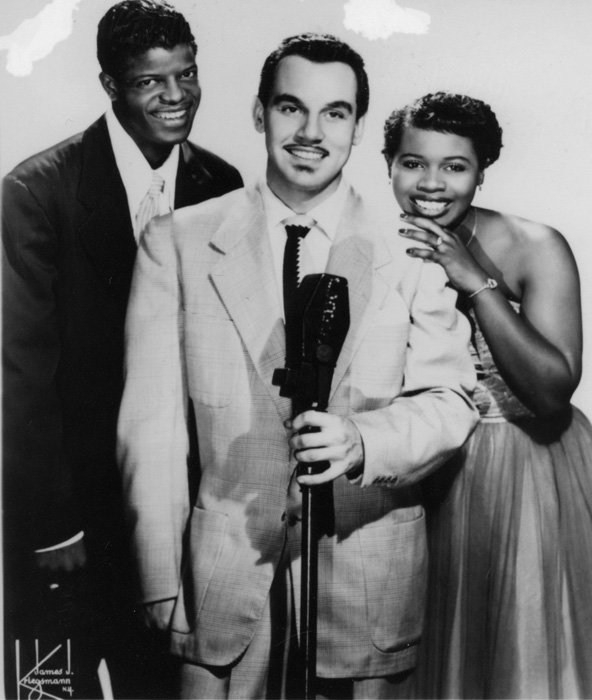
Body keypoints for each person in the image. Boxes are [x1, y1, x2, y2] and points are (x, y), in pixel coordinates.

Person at [117, 34, 478, 700]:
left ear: (358, 126)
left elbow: (453, 401)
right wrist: (160, 585)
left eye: (335, 113)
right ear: (259, 113)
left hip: (367, 592)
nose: (312, 132)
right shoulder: (178, 243)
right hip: (219, 589)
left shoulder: (412, 252)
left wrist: (364, 441)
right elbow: (150, 430)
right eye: (291, 108)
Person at [2, 1, 243, 697]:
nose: (177, 98)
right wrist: (52, 526)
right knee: (47, 688)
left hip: (176, 522)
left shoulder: (220, 185)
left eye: (187, 75)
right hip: (69, 522)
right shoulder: (34, 193)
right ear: (110, 84)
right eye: (150, 82)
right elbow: (20, 382)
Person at [384, 91, 592, 698]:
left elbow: (553, 390)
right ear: (388, 163)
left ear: (482, 172)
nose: (432, 183)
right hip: (414, 475)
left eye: (456, 166)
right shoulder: (362, 241)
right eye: (413, 162)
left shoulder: (535, 244)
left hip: (523, 476)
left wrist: (474, 281)